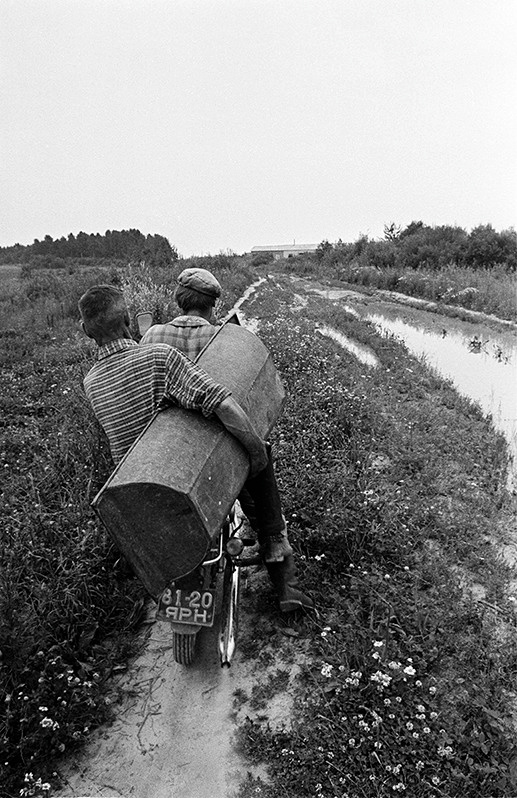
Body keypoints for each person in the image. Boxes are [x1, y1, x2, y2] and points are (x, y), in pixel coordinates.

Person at [79, 283, 312, 613]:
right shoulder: (160, 357)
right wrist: (257, 452)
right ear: (128, 319)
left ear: (85, 329)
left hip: (137, 487)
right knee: (254, 453)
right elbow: (223, 405)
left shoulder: (91, 382)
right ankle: (283, 575)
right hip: (188, 471)